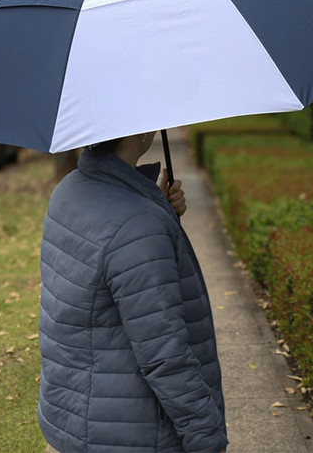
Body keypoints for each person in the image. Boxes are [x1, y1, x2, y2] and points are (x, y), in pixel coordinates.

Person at [39, 131, 228, 453]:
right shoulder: (138, 225)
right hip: (133, 433)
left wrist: (157, 206)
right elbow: (166, 356)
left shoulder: (69, 189)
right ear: (138, 132)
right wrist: (207, 437)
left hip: (76, 415)